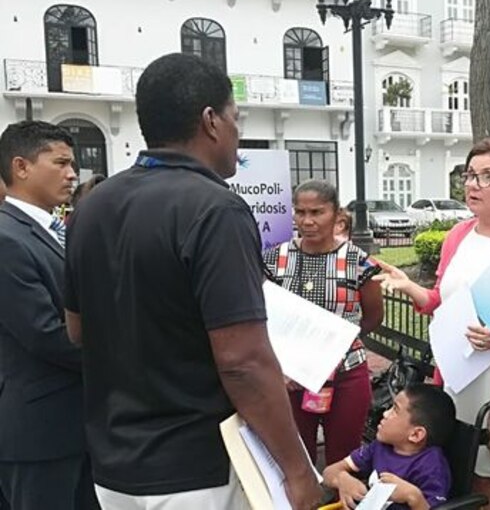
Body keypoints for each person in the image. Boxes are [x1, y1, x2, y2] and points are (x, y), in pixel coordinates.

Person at [63, 53, 322, 510]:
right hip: (196, 470)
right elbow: (242, 361)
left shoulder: (92, 206)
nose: (238, 133)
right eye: (235, 118)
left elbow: (77, 329)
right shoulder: (216, 209)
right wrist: (297, 469)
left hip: (115, 466)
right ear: (211, 121)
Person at [373, 139, 490, 510]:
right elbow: (440, 299)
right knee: (477, 477)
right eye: (470, 175)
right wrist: (410, 288)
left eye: (487, 177)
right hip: (459, 377)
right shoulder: (459, 235)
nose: (472, 184)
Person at [0, 121, 97, 509]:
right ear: (21, 167)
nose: (73, 173)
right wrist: (126, 354)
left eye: (73, 164)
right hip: (39, 433)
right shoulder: (7, 238)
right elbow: (44, 333)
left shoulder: (52, 230)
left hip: (75, 426)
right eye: (60, 163)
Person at [262, 179, 384, 467]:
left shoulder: (359, 262)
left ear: (337, 215)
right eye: (300, 212)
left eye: (317, 212)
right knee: (295, 459)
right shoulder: (275, 260)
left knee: (343, 462)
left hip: (346, 374)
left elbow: (374, 316)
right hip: (290, 379)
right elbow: (265, 315)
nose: (307, 221)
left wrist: (335, 342)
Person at [324, 383, 455, 510]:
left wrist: (413, 497)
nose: (385, 413)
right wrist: (343, 479)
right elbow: (328, 473)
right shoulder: (380, 446)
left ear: (416, 434)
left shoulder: (432, 466)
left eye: (395, 410)